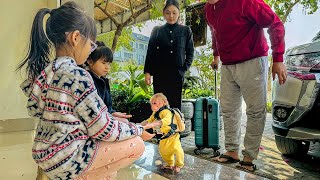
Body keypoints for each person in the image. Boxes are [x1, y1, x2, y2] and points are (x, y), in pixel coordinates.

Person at [16, 2, 150, 179]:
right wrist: (138, 129)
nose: (90, 51)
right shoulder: (77, 75)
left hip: (46, 155)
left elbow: (36, 109)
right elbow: (103, 130)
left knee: (111, 170)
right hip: (67, 158)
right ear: (76, 38)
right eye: (91, 45)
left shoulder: (47, 72)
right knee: (137, 144)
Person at [204, 0, 287, 172]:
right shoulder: (208, 9)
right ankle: (232, 150)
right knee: (228, 109)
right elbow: (215, 32)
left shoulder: (244, 1)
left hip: (253, 59)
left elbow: (274, 22)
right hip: (227, 64)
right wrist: (216, 55)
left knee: (255, 110)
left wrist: (278, 58)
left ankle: (249, 156)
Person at [144, 0, 194, 110]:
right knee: (159, 106)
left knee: (175, 107)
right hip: (159, 75)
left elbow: (190, 53)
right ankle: (158, 127)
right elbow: (150, 52)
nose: (171, 16)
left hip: (176, 75)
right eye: (168, 12)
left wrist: (183, 69)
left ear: (179, 13)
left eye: (174, 13)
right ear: (163, 13)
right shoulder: (157, 30)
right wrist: (147, 72)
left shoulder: (185, 30)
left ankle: (175, 127)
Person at [86, 41, 132, 123]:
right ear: (90, 61)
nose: (107, 67)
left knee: (125, 121)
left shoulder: (103, 80)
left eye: (109, 64)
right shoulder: (87, 80)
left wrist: (112, 112)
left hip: (104, 118)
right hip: (97, 122)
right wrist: (111, 116)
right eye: (103, 63)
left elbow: (105, 106)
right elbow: (93, 112)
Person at [141, 93, 184, 173]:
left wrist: (152, 124)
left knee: (177, 150)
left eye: (155, 103)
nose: (152, 106)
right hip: (164, 137)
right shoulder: (155, 113)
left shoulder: (166, 112)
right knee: (163, 151)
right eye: (151, 103)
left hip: (173, 135)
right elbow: (149, 120)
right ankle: (170, 164)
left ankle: (179, 165)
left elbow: (166, 121)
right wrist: (139, 125)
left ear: (164, 102)